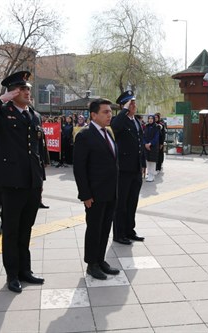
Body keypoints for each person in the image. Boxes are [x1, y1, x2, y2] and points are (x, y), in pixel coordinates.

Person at [0, 71, 46, 293]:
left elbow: (37, 149)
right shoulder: (1, 112)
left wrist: (40, 179)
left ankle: (25, 270)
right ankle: (12, 274)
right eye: (22, 89)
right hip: (12, 181)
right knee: (11, 230)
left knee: (26, 228)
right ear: (12, 91)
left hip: (31, 181)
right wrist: (0, 100)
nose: (27, 92)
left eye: (27, 88)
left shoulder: (34, 115)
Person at [73, 98, 120, 280]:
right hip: (94, 193)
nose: (110, 115)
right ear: (94, 115)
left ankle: (100, 260)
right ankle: (92, 263)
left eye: (110, 111)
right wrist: (85, 194)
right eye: (105, 112)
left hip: (111, 192)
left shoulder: (108, 133)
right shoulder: (85, 135)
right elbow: (79, 168)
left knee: (105, 227)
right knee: (94, 229)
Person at [111, 90, 146, 245]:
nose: (134, 105)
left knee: (132, 203)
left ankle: (129, 231)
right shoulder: (120, 120)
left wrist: (143, 164)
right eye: (130, 103)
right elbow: (114, 126)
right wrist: (124, 110)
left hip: (136, 169)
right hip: (123, 169)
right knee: (121, 204)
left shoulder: (136, 121)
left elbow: (140, 144)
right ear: (124, 105)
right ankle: (119, 234)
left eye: (133, 102)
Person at [143, 115, 160, 182]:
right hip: (146, 146)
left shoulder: (157, 127)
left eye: (151, 119)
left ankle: (152, 175)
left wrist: (150, 144)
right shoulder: (146, 126)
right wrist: (145, 143)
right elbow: (143, 136)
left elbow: (156, 137)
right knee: (147, 160)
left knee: (152, 161)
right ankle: (149, 174)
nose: (150, 120)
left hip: (153, 146)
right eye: (149, 118)